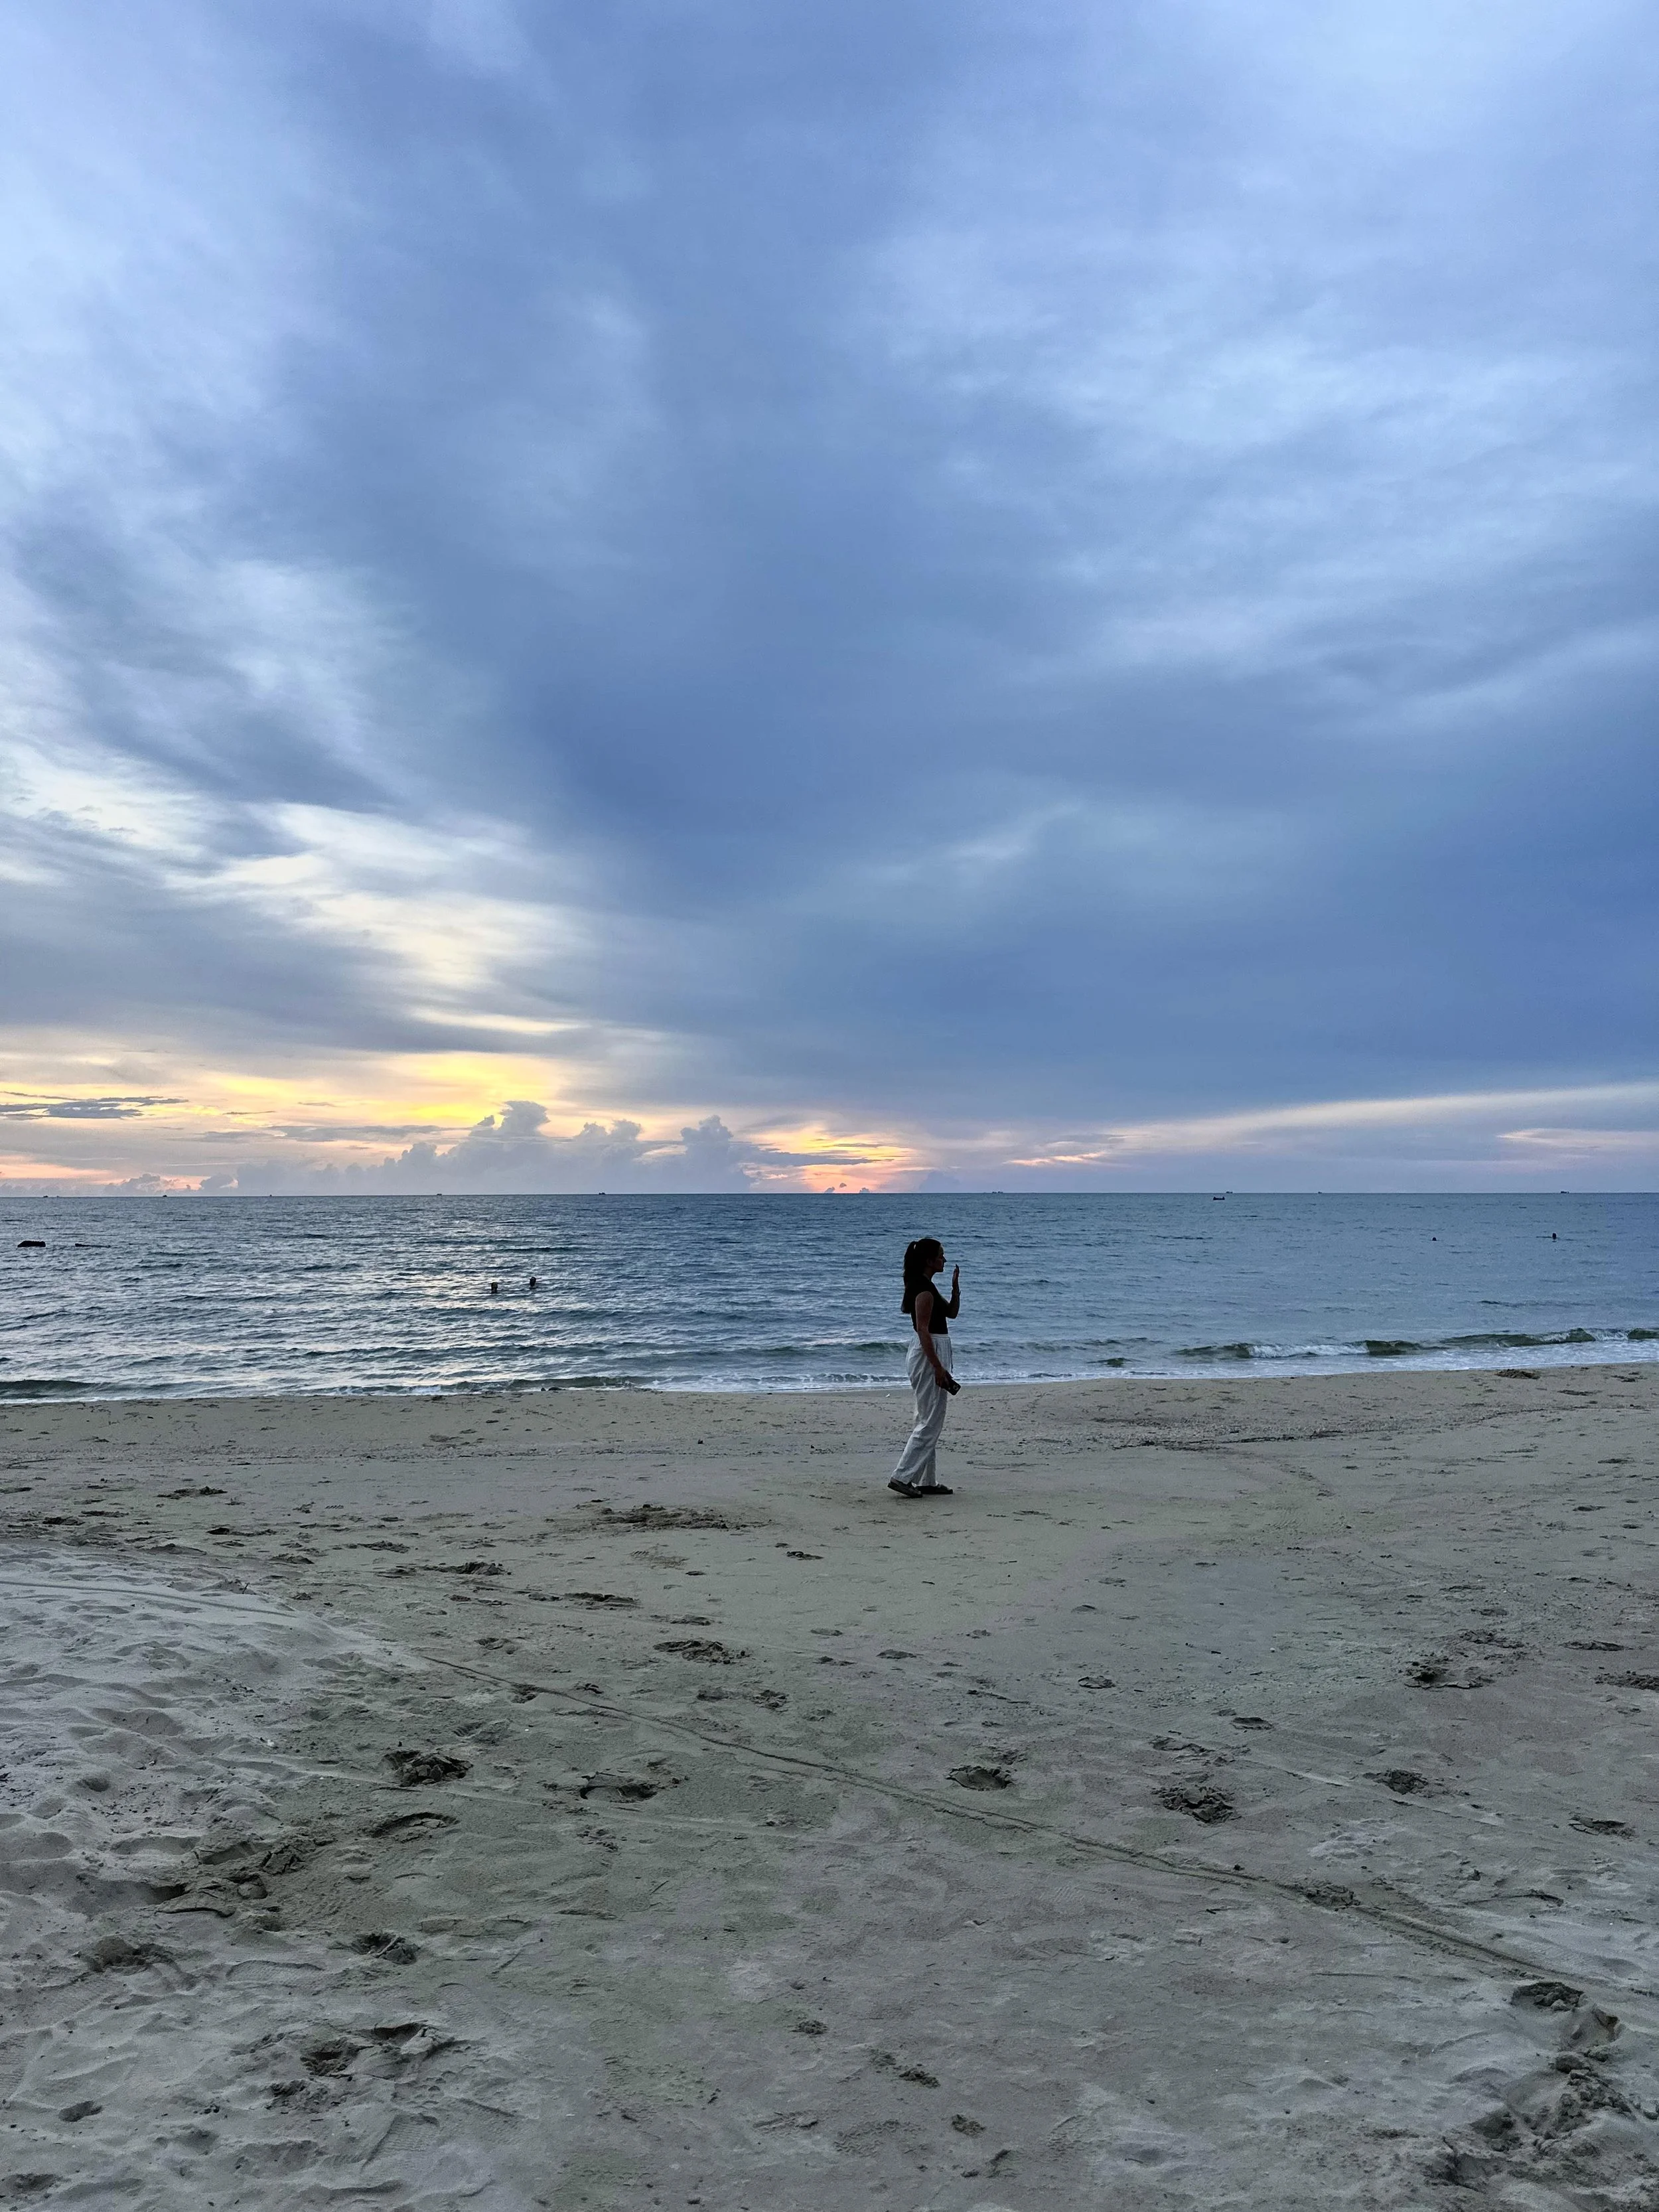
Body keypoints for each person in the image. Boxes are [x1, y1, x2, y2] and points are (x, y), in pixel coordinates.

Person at [889, 1238, 960, 1498]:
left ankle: (927, 1480)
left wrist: (955, 1289)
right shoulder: (924, 1290)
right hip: (929, 1352)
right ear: (929, 1260)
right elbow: (923, 1330)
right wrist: (937, 1367)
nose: (944, 1259)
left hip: (933, 1349)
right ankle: (902, 1476)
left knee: (926, 1417)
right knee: (931, 1421)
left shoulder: (926, 1286)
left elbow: (951, 1313)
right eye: (940, 1256)